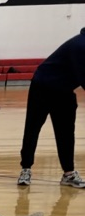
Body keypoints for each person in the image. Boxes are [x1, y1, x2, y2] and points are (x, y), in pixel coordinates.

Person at [17, 28, 85, 188]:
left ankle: (68, 174)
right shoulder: (81, 46)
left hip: (64, 90)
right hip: (42, 87)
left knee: (66, 132)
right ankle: (25, 169)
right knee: (32, 128)